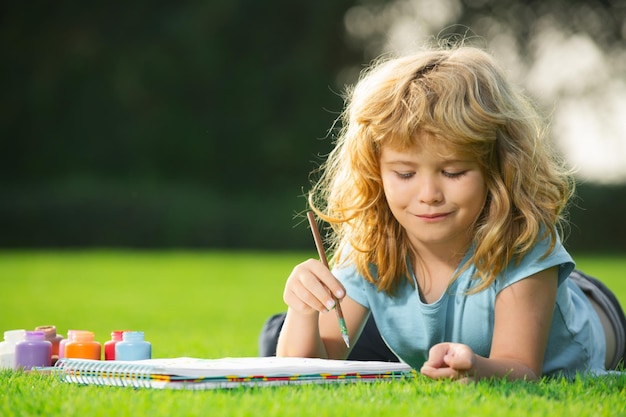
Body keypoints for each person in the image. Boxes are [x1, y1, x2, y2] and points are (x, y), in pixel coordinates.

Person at [258, 45, 626, 380]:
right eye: (404, 174)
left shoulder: (521, 240)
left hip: (595, 314)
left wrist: (474, 368)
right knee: (281, 332)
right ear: (376, 171)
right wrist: (302, 311)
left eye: (452, 172)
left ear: (497, 168)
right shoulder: (372, 244)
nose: (429, 195)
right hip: (453, 326)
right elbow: (309, 369)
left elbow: (522, 368)